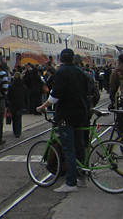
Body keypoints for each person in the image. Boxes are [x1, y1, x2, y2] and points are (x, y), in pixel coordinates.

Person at [37, 48, 91, 193]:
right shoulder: (81, 72)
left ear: (61, 59)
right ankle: (81, 178)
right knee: (79, 145)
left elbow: (55, 96)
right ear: (73, 59)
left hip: (66, 114)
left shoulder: (61, 73)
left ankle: (71, 182)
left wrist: (43, 106)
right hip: (81, 113)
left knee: (69, 148)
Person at [7, 71, 28, 137]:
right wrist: (26, 105)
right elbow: (26, 96)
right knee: (18, 118)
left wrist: (8, 103)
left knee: (14, 118)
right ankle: (18, 131)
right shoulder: (24, 86)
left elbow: (8, 95)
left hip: (13, 104)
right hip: (21, 104)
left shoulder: (11, 85)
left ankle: (15, 131)